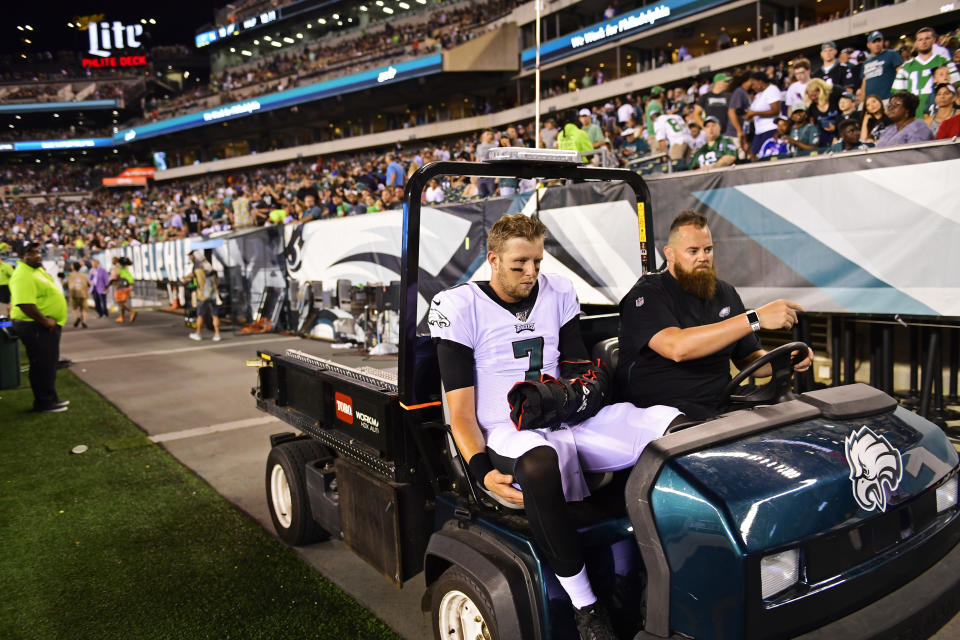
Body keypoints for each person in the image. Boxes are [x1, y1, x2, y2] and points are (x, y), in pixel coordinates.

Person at [429, 214, 679, 640]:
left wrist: (583, 393)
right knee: (540, 461)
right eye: (519, 264)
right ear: (493, 259)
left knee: (670, 423)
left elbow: (579, 367)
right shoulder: (460, 305)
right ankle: (587, 607)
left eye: (538, 263)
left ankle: (667, 565)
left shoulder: (558, 291)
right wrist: (481, 471)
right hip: (503, 428)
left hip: (562, 415)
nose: (531, 273)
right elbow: (462, 414)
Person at [617, 211, 813, 420]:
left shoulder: (725, 293)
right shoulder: (647, 294)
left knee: (793, 413)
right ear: (670, 254)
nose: (703, 257)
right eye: (693, 251)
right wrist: (754, 319)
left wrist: (785, 362)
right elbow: (677, 347)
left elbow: (749, 361)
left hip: (719, 402)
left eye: (708, 249)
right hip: (664, 410)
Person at [9, 242, 68, 413]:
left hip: (43, 326)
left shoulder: (35, 270)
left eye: (38, 252)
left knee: (48, 363)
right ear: (22, 256)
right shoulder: (22, 274)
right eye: (32, 253)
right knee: (42, 364)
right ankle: (44, 402)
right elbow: (25, 304)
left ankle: (51, 397)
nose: (38, 255)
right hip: (35, 326)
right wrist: (45, 321)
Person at [891, 27, 960, 118]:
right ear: (916, 43)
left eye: (927, 38)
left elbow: (957, 86)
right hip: (915, 117)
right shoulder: (906, 67)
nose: (924, 42)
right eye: (920, 39)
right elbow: (898, 96)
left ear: (934, 40)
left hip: (942, 115)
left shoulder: (944, 61)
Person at [743, 71, 782, 155]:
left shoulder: (772, 90)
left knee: (768, 155)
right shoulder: (758, 95)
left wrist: (755, 113)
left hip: (771, 128)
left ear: (760, 81)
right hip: (759, 131)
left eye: (753, 84)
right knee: (756, 155)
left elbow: (776, 110)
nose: (752, 87)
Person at [188, 252, 221, 342]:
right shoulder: (208, 265)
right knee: (214, 315)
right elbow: (216, 280)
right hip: (213, 293)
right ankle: (217, 334)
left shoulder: (197, 266)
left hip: (204, 294)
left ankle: (198, 333)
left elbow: (200, 281)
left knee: (200, 315)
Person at [860, 31, 902, 102]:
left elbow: (901, 74)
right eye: (874, 42)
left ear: (882, 42)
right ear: (868, 45)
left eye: (879, 41)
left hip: (889, 99)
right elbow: (864, 86)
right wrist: (862, 103)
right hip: (871, 103)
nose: (877, 44)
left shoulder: (892, 54)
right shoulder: (865, 63)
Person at [110, 256, 136, 324]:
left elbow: (114, 278)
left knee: (120, 302)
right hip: (128, 286)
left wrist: (107, 285)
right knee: (123, 302)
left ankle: (131, 311)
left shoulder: (116, 268)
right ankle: (122, 316)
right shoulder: (125, 267)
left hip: (121, 287)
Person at [66, 261, 89, 329]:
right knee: (83, 309)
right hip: (83, 293)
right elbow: (89, 284)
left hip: (74, 294)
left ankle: (78, 317)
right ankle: (84, 322)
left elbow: (64, 283)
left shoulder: (70, 275)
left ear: (73, 267)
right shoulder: (84, 275)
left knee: (74, 308)